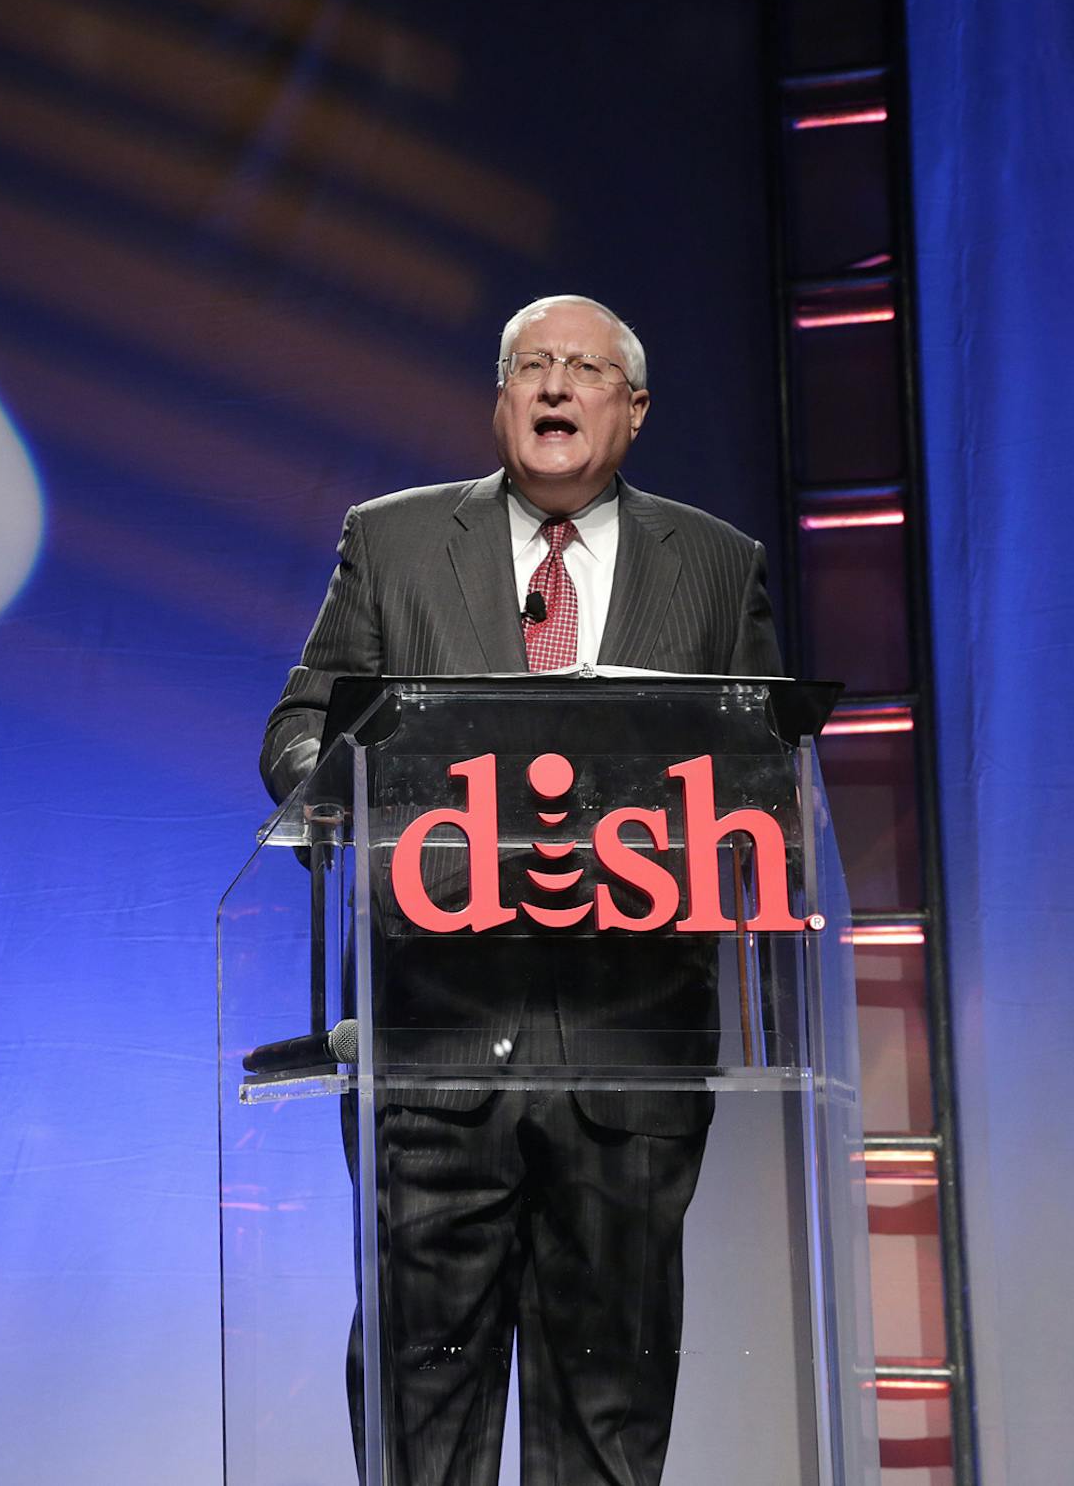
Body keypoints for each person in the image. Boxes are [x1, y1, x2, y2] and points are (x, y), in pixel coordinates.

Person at [258, 296, 782, 1485]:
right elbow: (300, 727)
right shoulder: (391, 545)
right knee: (421, 1418)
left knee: (610, 1420)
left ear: (632, 409)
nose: (555, 388)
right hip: (434, 1051)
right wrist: (342, 785)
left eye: (584, 370)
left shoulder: (714, 565)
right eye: (530, 368)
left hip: (629, 1055)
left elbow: (766, 768)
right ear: (500, 403)